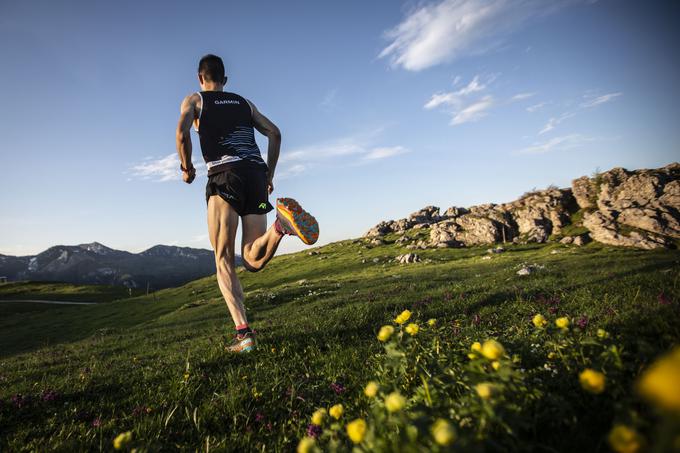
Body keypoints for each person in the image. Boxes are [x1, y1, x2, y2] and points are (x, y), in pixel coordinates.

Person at [175, 54, 319, 353]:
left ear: (201, 78)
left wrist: (187, 168)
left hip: (224, 177)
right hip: (256, 176)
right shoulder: (244, 103)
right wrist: (269, 174)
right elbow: (275, 133)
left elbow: (182, 132)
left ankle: (244, 335)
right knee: (252, 260)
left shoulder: (195, 100)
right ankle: (280, 227)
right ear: (225, 80)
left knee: (223, 259)